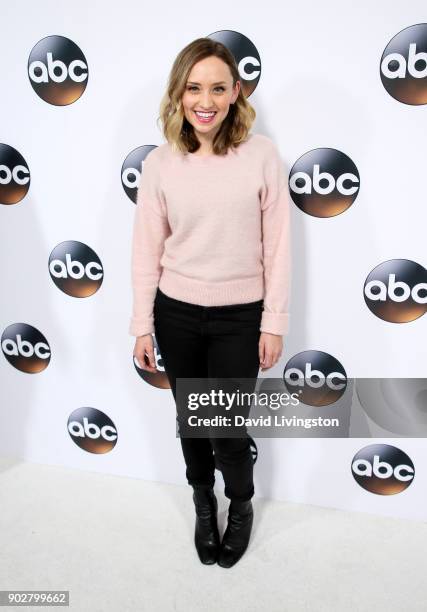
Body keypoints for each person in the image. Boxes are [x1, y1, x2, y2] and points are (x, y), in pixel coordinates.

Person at [129, 37, 290, 568]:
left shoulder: (262, 154)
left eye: (218, 87)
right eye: (194, 87)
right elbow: (146, 250)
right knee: (191, 423)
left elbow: (280, 246)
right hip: (175, 313)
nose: (206, 100)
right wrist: (141, 326)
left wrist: (273, 322)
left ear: (236, 91)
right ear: (178, 93)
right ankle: (204, 505)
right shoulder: (160, 163)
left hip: (240, 318)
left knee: (226, 428)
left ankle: (239, 507)